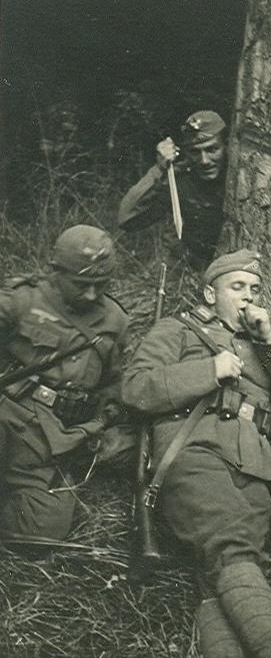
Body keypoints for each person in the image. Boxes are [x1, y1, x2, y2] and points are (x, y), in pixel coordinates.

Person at [122, 249, 271, 658]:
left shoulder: (263, 342)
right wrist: (209, 370)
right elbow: (136, 389)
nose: (248, 296)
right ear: (211, 295)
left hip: (254, 461)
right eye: (237, 287)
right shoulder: (177, 329)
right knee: (231, 549)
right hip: (195, 447)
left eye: (255, 289)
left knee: (218, 572)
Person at [0, 225, 132, 541]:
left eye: (101, 284)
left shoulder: (115, 321)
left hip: (49, 440)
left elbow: (112, 384)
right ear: (56, 271)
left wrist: (97, 424)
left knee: (39, 532)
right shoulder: (21, 300)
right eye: (82, 284)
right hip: (7, 416)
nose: (92, 294)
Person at [118, 110, 227, 267]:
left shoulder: (240, 179)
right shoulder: (180, 180)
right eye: (195, 152)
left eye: (212, 150)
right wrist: (159, 168)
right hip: (192, 269)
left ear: (226, 145)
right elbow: (127, 219)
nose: (204, 161)